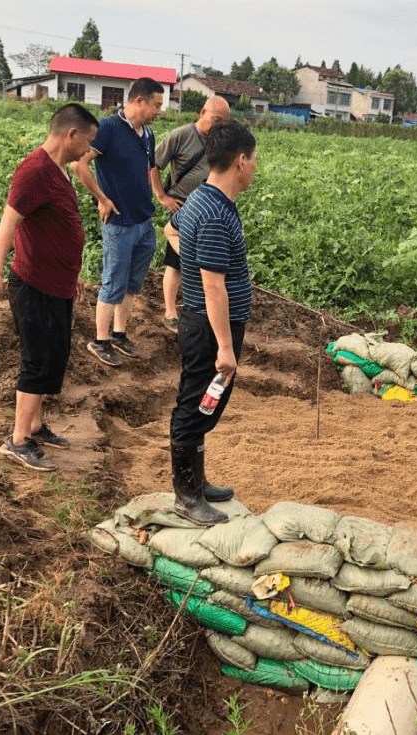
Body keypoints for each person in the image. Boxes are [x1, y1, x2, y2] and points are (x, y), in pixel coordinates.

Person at [0, 104, 99, 471]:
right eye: (88, 143)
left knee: (53, 356)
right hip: (33, 285)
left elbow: (55, 228)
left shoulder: (60, 171)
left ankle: (35, 425)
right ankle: (17, 440)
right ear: (71, 135)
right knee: (37, 359)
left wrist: (71, 272)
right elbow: (8, 223)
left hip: (58, 284)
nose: (89, 152)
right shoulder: (34, 170)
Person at [168, 120, 258, 526]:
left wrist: (190, 255)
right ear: (241, 161)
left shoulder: (202, 199)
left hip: (205, 323)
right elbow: (213, 287)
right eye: (254, 159)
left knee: (204, 404)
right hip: (208, 328)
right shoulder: (216, 215)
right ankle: (186, 496)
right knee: (194, 406)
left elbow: (171, 229)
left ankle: (197, 482)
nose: (255, 167)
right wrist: (224, 346)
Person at [74, 77, 166, 366]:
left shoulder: (148, 134)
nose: (159, 111)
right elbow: (79, 164)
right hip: (119, 221)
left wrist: (158, 195)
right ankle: (99, 340)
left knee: (131, 284)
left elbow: (150, 169)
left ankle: (119, 333)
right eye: (157, 105)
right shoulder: (109, 129)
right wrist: (102, 198)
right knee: (113, 280)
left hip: (143, 220)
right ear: (139, 101)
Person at [150, 96, 231, 332]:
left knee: (206, 264)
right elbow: (153, 164)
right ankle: (170, 312)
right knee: (176, 264)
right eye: (216, 120)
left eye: (223, 122)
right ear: (203, 112)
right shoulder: (181, 135)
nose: (218, 126)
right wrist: (162, 197)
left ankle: (199, 311)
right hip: (183, 207)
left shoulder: (220, 142)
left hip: (209, 210)